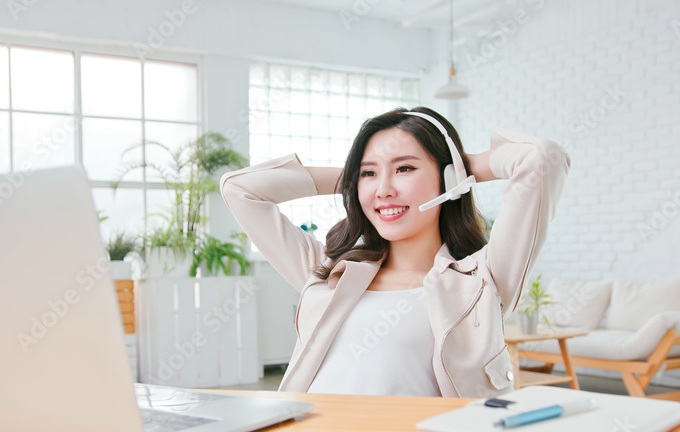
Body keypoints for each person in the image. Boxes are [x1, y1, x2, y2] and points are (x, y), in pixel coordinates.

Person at [219, 107, 569, 398]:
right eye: (369, 173)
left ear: (449, 179)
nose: (384, 190)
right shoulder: (330, 272)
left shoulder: (481, 280)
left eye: (404, 168)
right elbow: (240, 190)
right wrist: (355, 177)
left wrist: (461, 167)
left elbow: (542, 159)